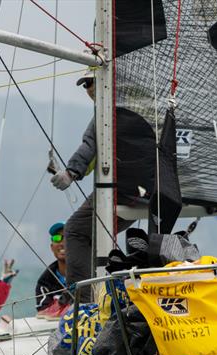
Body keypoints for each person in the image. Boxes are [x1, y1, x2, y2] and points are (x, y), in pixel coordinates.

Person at [49, 69, 152, 299]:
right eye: (85, 85)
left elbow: (90, 144)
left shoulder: (108, 111)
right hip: (150, 192)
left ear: (109, 81)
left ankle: (83, 303)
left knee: (75, 230)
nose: (89, 89)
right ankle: (108, 295)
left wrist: (71, 173)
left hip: (121, 192)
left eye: (92, 82)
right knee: (93, 238)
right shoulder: (145, 106)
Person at [35, 222, 71, 316]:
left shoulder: (90, 274)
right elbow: (43, 312)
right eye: (57, 238)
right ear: (51, 247)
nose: (62, 243)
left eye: (68, 237)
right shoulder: (44, 282)